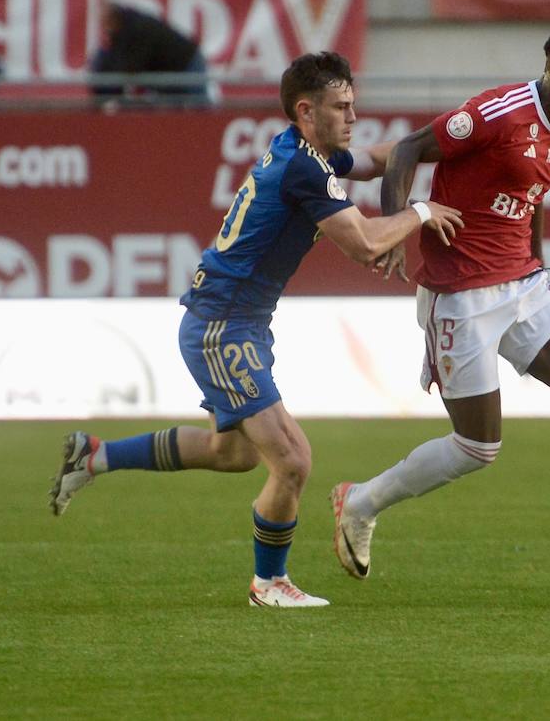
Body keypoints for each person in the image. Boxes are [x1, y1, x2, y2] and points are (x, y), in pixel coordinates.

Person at [48, 52, 464, 608]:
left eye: (353, 105)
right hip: (223, 326)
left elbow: (378, 157)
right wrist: (417, 212)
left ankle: (95, 455)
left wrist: (448, 140)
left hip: (238, 322)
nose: (353, 116)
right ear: (305, 110)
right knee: (292, 460)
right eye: (341, 107)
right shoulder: (304, 168)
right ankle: (269, 584)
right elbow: (364, 243)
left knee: (234, 454)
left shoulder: (305, 150)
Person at [329, 22, 550, 599]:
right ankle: (362, 501)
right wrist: (394, 227)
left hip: (522, 284)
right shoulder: (498, 112)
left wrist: (539, 266)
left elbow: (534, 195)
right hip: (461, 293)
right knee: (477, 447)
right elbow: (408, 149)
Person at [89, 1, 211, 106]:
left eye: (105, 22)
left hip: (188, 62)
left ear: (113, 19)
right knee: (173, 115)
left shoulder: (138, 28)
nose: (104, 27)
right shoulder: (120, 35)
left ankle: (210, 130)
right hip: (167, 72)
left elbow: (134, 66)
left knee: (199, 107)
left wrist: (118, 77)